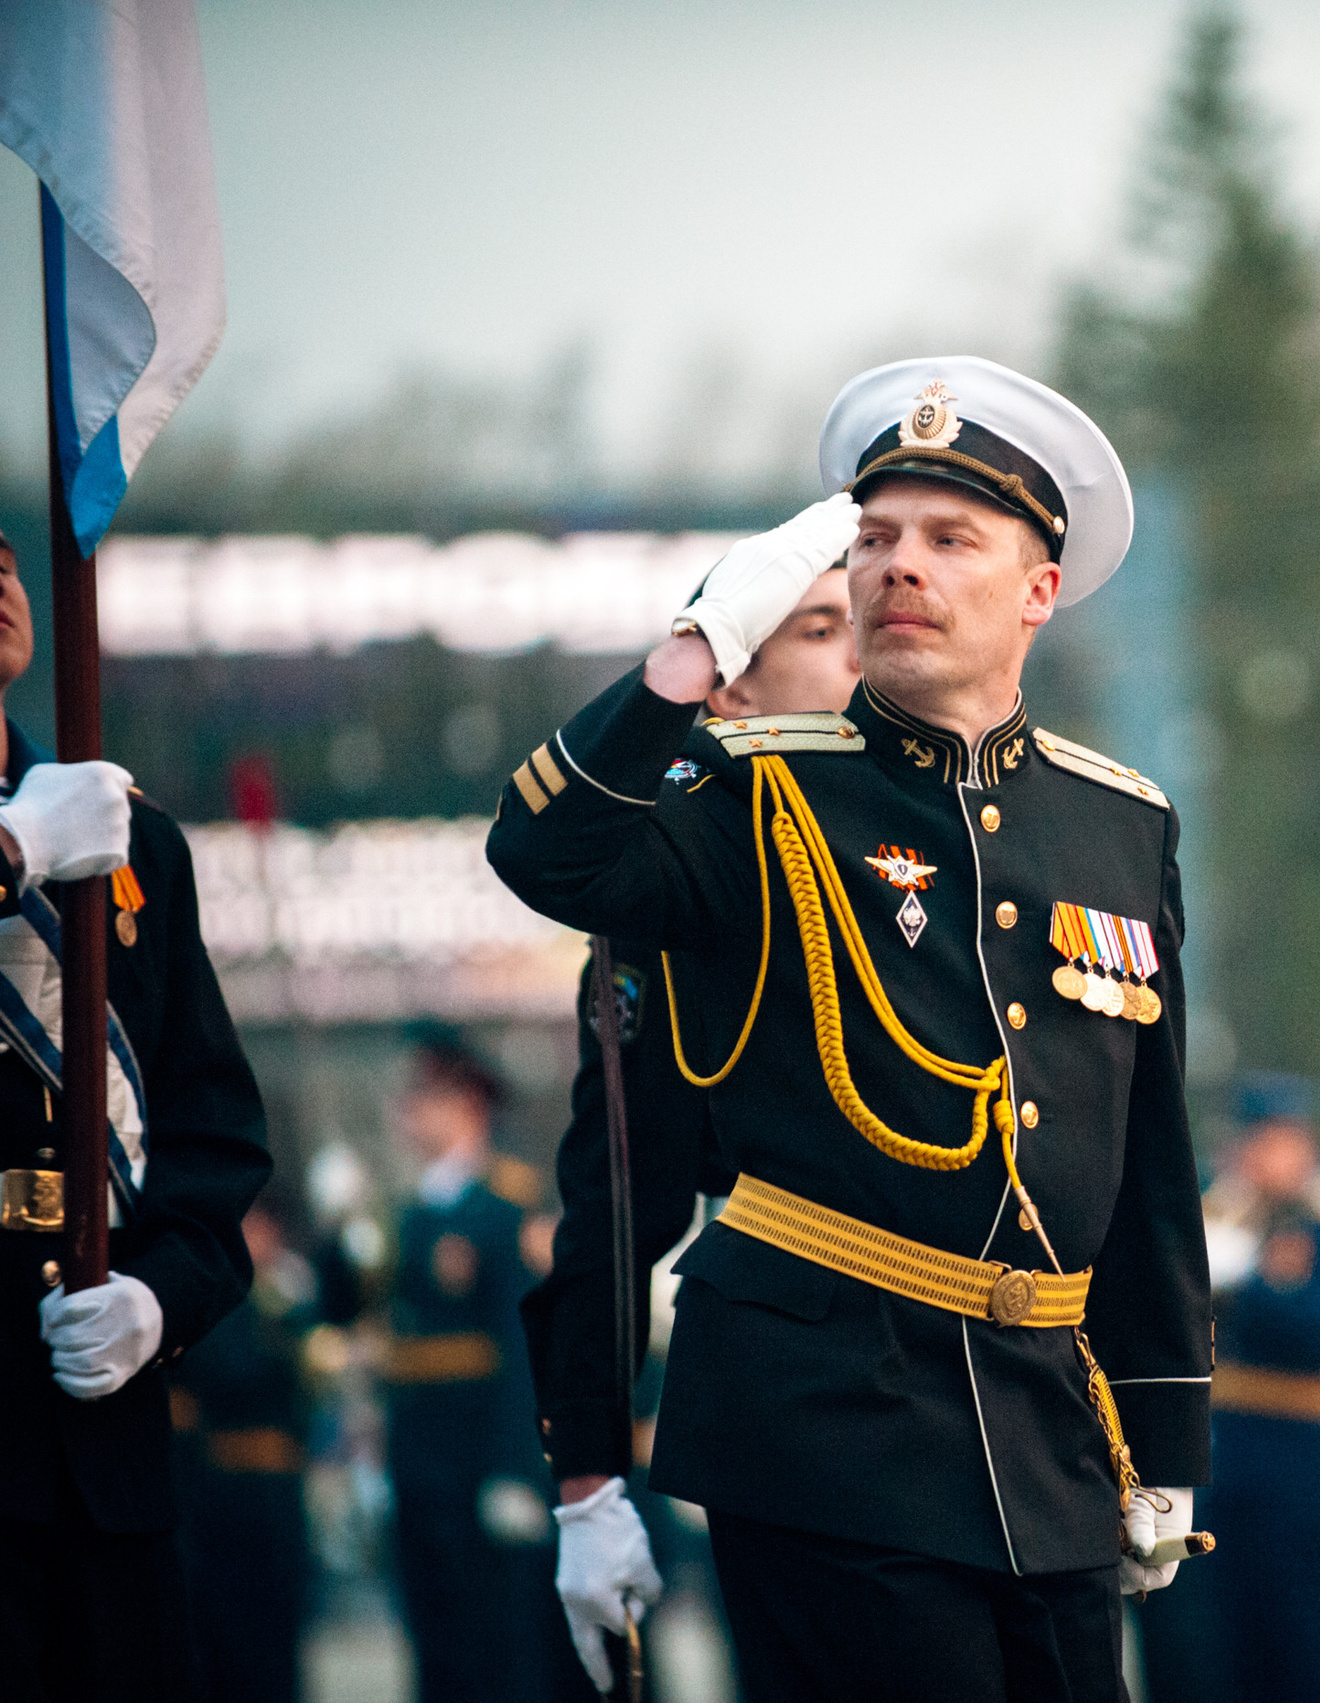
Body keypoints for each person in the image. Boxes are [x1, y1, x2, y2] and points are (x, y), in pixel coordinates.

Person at [486, 356, 1213, 1703]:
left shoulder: (1120, 823)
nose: (899, 568)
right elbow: (546, 851)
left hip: (1048, 1430)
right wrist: (697, 652)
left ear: (1038, 589)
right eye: (873, 537)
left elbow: (1147, 1156)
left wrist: (1163, 1435)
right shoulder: (747, 791)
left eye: (949, 539)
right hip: (821, 1422)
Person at [524, 563, 857, 1686]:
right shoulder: (681, 882)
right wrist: (588, 1474)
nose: (861, 651)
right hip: (814, 1399)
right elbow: (622, 1201)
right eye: (819, 628)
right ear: (733, 691)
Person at [0, 527, 273, 1701]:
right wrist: (13, 849)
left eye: (4, 561)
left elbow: (214, 1146)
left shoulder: (127, 847)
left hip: (100, 1458)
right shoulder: (52, 837)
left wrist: (161, 1296)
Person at [317, 1024, 570, 1703]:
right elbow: (342, 1310)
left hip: (481, 1458)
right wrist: (340, 1223)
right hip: (420, 1457)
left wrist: (516, 1467)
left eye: (421, 1095)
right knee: (437, 1646)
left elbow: (520, 1342)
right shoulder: (402, 1211)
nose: (406, 1110)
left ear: (467, 1100)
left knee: (502, 1649)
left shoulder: (507, 1201)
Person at [1183, 1072, 1320, 1703]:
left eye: (1291, 1140)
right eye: (1265, 1141)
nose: (1280, 1156)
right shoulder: (1209, 1213)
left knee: (1304, 1650)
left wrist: (1243, 1285)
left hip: (1301, 1471)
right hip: (1224, 1468)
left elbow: (1319, 1322)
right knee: (1225, 1649)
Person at [170, 1197, 319, 1703]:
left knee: (274, 1638)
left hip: (273, 1488)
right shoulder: (219, 1297)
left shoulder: (291, 1297)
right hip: (212, 1488)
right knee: (221, 1639)